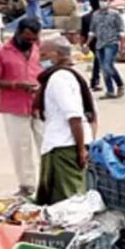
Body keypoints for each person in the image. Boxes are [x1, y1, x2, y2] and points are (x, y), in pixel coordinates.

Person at [0, 17, 43, 197]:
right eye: (27, 38)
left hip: (38, 104)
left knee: (46, 143)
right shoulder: (0, 52)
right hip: (14, 106)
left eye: (34, 39)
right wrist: (16, 85)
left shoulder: (37, 48)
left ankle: (48, 182)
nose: (31, 42)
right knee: (21, 147)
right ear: (18, 33)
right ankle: (27, 185)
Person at [33, 37, 94, 205]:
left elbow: (74, 116)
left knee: (66, 201)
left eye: (44, 54)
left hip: (64, 147)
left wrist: (81, 150)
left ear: (58, 54)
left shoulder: (59, 78)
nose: (40, 59)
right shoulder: (68, 75)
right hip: (67, 143)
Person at [89, 0, 125, 98]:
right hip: (99, 44)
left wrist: (122, 47)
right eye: (101, 0)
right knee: (104, 69)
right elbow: (92, 31)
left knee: (107, 66)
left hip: (111, 43)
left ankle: (120, 84)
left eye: (105, 0)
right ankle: (110, 91)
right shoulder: (95, 15)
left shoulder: (115, 14)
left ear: (110, 2)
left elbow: (121, 31)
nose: (102, 3)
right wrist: (86, 44)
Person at [80, 0, 102, 91]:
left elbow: (82, 33)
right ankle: (95, 81)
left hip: (90, 42)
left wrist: (83, 45)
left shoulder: (85, 17)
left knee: (95, 62)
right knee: (98, 62)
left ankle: (94, 80)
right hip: (101, 41)